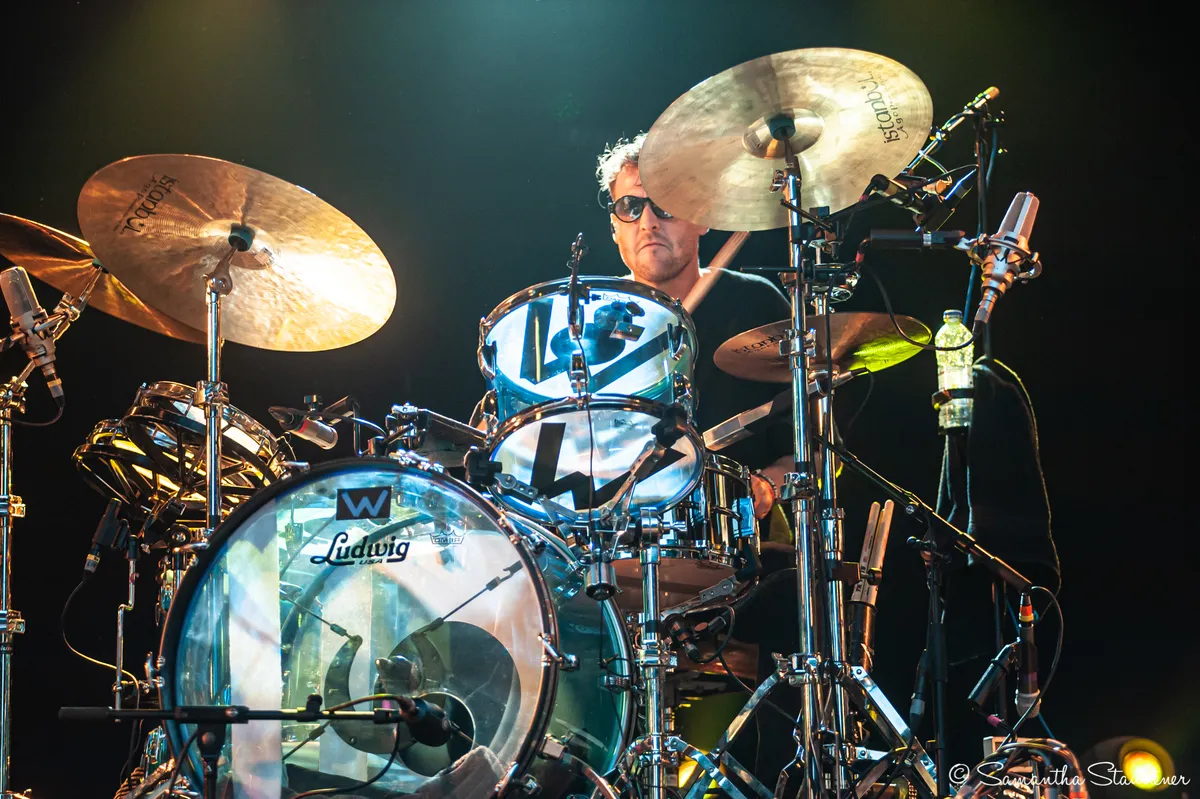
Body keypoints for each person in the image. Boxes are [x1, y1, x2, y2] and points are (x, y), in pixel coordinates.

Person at [595, 133, 794, 522]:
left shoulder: (756, 303)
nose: (648, 223)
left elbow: (815, 449)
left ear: (702, 216)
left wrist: (767, 486)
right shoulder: (590, 321)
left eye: (665, 205)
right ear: (615, 228)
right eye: (630, 207)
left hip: (736, 539)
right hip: (617, 542)